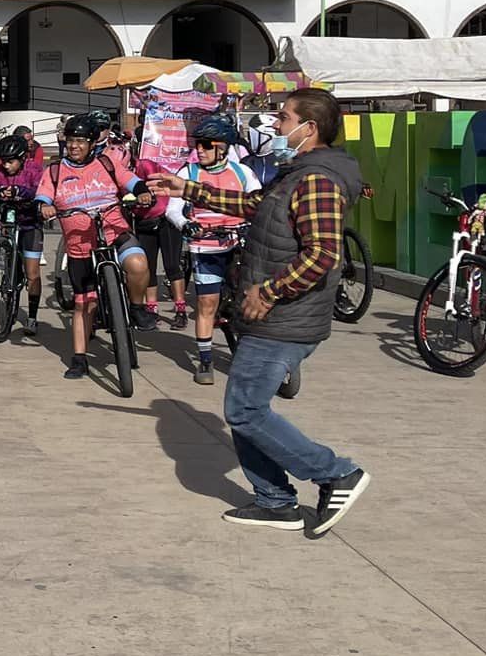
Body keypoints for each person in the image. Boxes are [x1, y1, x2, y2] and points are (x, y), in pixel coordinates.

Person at [144, 88, 371, 534]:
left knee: (246, 409)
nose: (277, 126)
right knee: (244, 406)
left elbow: (323, 253)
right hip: (272, 313)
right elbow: (255, 207)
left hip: (287, 316)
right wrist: (187, 188)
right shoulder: (296, 174)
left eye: (285, 119)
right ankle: (275, 501)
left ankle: (335, 473)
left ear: (310, 128)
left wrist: (269, 292)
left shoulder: (317, 180)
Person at [36, 112, 155, 380]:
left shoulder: (107, 163)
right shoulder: (55, 171)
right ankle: (79, 359)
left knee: (137, 264)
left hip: (115, 233)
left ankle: (136, 308)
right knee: (84, 305)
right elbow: (43, 196)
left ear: (92, 143)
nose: (75, 146)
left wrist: (143, 191)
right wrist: (44, 207)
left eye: (81, 141)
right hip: (80, 246)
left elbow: (131, 181)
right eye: (70, 141)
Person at [161, 113, 260, 384]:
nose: (199, 150)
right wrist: (185, 224)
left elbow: (259, 204)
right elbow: (173, 208)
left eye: (206, 145)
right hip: (205, 246)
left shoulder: (242, 172)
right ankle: (205, 361)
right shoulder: (188, 173)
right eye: (197, 144)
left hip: (238, 244)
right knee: (206, 303)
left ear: (223, 147)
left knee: (252, 298)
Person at [0, 131, 48, 337]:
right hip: (8, 223)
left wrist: (20, 192)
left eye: (11, 162)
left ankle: (33, 317)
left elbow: (41, 190)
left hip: (30, 226)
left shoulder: (35, 170)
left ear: (22, 158)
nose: (6, 166)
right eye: (4, 162)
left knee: (33, 275)